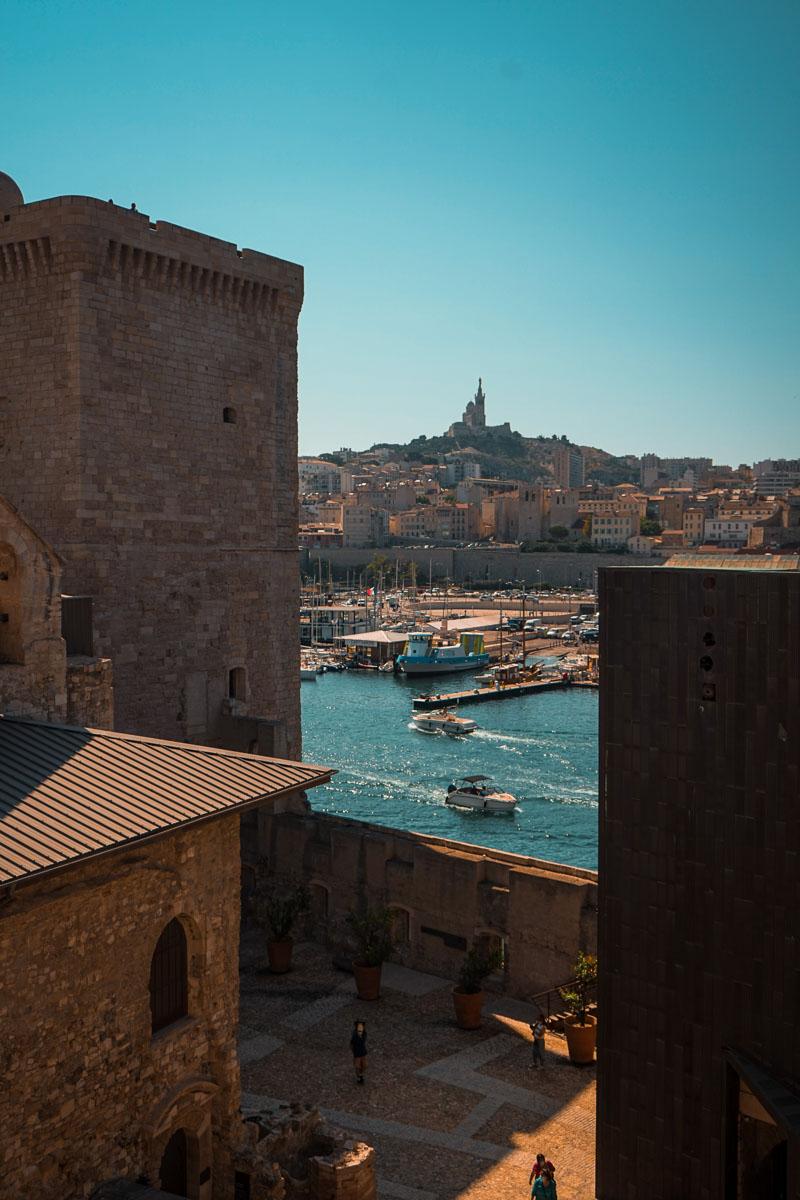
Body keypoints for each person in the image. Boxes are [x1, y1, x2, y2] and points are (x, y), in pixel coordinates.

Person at [350, 1019, 367, 1084]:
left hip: (362, 1051)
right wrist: (354, 1051)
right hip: (357, 1052)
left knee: (364, 1065)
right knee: (357, 1066)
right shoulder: (354, 1035)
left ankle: (360, 1075)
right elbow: (351, 1044)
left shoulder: (364, 1033)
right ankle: (359, 1077)